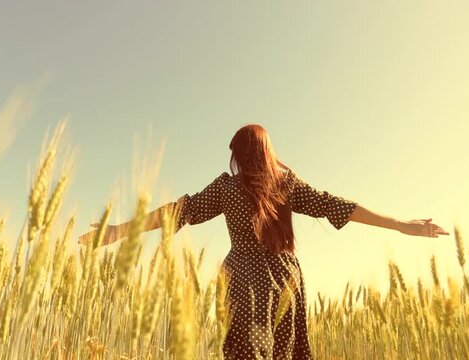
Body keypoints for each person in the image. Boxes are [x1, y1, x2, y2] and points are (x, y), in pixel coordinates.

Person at [79, 124, 449, 359]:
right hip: (286, 279)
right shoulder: (286, 186)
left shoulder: (226, 187)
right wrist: (400, 224)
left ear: (237, 156)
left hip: (243, 279)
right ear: (267, 152)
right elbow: (335, 206)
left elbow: (177, 211)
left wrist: (118, 232)